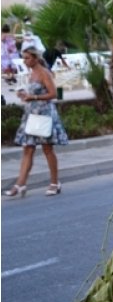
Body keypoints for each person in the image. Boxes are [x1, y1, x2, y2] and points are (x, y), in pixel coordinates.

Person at [5, 47, 69, 198]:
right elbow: (34, 92)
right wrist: (24, 95)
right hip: (32, 114)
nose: (25, 61)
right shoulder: (31, 73)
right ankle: (20, 184)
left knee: (47, 149)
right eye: (24, 58)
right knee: (28, 149)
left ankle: (55, 182)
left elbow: (53, 93)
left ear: (35, 58)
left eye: (27, 58)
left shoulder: (43, 73)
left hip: (44, 114)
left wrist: (33, 98)